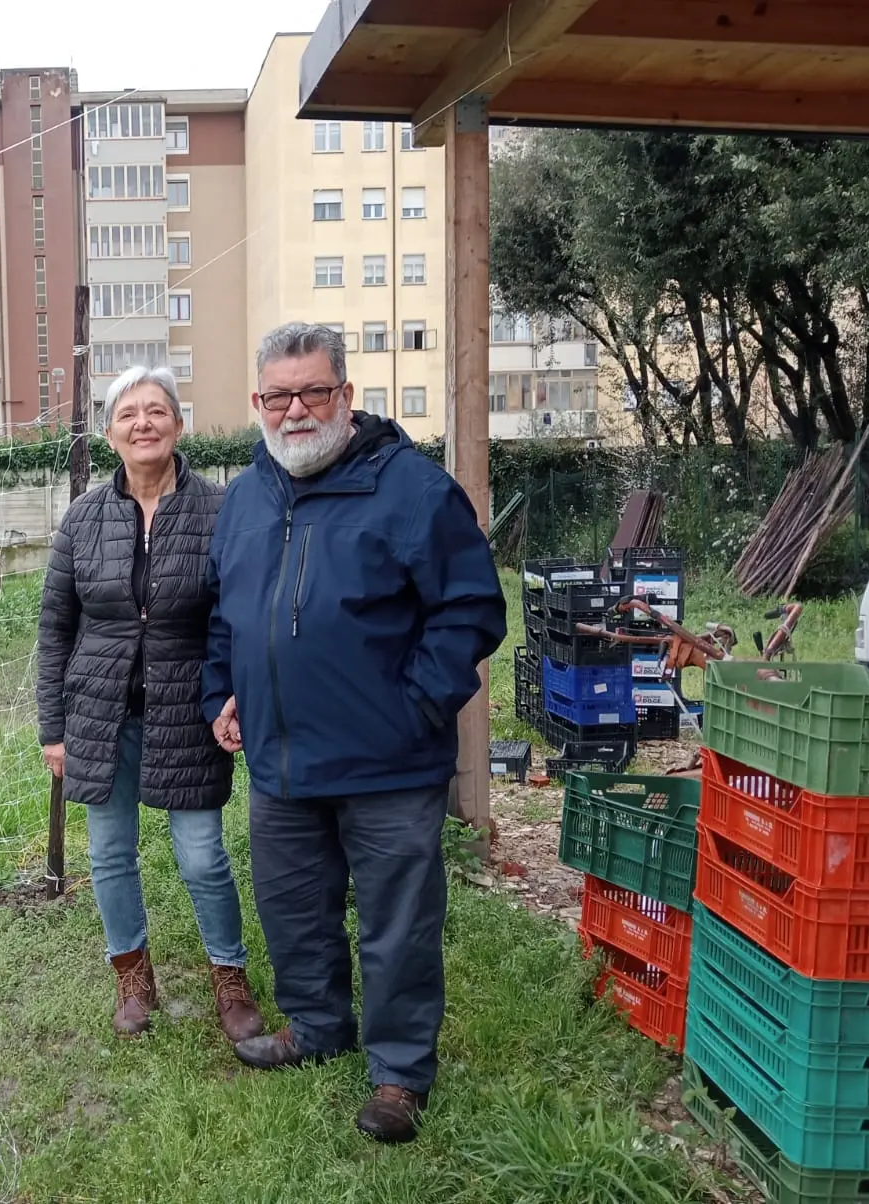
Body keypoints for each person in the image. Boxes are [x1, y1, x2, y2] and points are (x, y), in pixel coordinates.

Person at [202, 322, 506, 1143]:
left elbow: (471, 611)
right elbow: (225, 617)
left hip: (389, 762)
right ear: (257, 403)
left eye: (312, 392)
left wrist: (416, 704)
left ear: (346, 395)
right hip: (280, 762)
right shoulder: (248, 497)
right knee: (293, 909)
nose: (295, 410)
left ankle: (400, 1072)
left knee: (397, 922)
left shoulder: (410, 489)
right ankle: (316, 1024)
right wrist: (222, 693)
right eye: (278, 395)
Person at [37, 365, 264, 1043]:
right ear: (110, 435)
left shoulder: (221, 510)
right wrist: (54, 728)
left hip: (186, 709)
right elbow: (55, 629)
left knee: (201, 856)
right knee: (109, 854)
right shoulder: (82, 519)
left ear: (178, 424)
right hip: (98, 714)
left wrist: (233, 696)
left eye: (157, 410)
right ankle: (133, 979)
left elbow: (240, 613)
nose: (144, 423)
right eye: (129, 413)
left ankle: (229, 976)